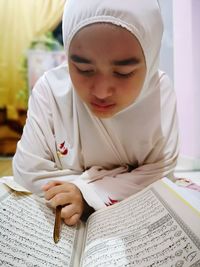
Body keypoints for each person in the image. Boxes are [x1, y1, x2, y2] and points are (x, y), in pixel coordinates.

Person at [13, 0, 179, 226]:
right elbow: (26, 173)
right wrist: (123, 176)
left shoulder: (159, 93)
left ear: (150, 58)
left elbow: (161, 173)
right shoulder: (50, 91)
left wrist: (85, 192)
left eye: (124, 72)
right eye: (84, 69)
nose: (101, 92)